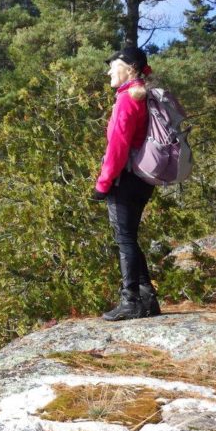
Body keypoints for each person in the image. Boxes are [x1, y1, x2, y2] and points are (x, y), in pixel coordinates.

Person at [92, 46, 161, 321]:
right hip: (142, 178)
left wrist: (103, 183)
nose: (109, 70)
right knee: (129, 238)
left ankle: (131, 300)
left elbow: (117, 147)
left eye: (113, 65)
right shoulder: (142, 96)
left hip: (127, 178)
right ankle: (147, 299)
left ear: (129, 67)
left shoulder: (127, 100)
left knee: (124, 239)